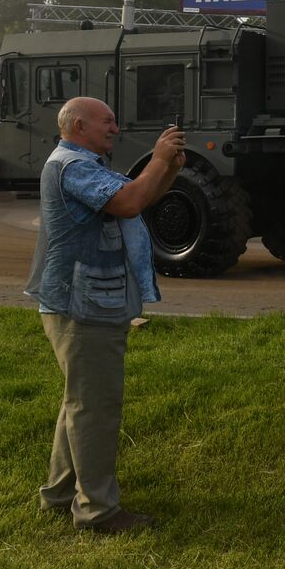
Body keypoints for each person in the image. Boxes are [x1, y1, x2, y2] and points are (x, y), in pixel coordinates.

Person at [25, 97, 185, 534]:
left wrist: (167, 167)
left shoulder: (85, 163)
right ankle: (98, 511)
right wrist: (156, 157)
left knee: (80, 401)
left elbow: (142, 193)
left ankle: (59, 495)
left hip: (86, 301)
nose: (115, 126)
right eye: (107, 120)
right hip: (82, 305)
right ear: (80, 125)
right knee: (95, 407)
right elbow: (131, 201)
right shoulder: (73, 167)